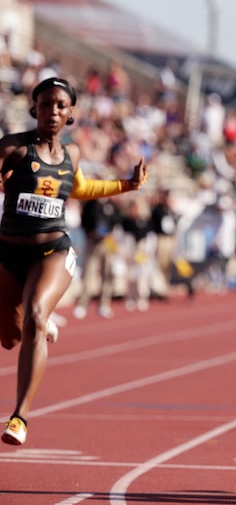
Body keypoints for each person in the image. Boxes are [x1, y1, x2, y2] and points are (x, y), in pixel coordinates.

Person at [0, 77, 147, 446]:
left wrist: (126, 185)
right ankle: (40, 319)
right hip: (7, 253)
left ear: (70, 113)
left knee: (34, 317)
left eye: (61, 105)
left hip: (53, 251)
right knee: (10, 337)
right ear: (34, 108)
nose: (53, 111)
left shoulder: (72, 155)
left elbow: (80, 188)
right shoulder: (13, 149)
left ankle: (20, 417)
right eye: (46, 104)